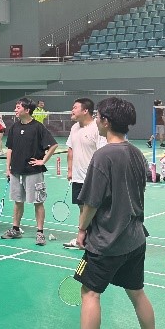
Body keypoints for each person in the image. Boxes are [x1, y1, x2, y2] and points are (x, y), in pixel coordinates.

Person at [52, 96, 165, 329]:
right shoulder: (136, 153)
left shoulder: (104, 156)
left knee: (89, 292)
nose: (97, 120)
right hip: (135, 239)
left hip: (107, 240)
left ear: (105, 121)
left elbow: (91, 202)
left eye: (99, 116)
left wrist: (81, 230)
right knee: (136, 292)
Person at [4, 98, 57, 245]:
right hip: (16, 171)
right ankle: (15, 229)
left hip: (33, 171)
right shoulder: (14, 127)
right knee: (17, 201)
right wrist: (8, 167)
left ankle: (40, 233)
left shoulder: (38, 127)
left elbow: (53, 145)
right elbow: (10, 148)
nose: (15, 110)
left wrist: (43, 161)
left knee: (38, 202)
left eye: (18, 107)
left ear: (27, 110)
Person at [63, 98, 107, 250]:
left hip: (93, 178)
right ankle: (82, 239)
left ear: (85, 110)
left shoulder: (97, 127)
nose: (72, 110)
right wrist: (70, 170)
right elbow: (70, 149)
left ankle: (96, 238)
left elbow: (102, 153)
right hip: (77, 177)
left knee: (94, 209)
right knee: (82, 208)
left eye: (75, 107)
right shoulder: (74, 128)